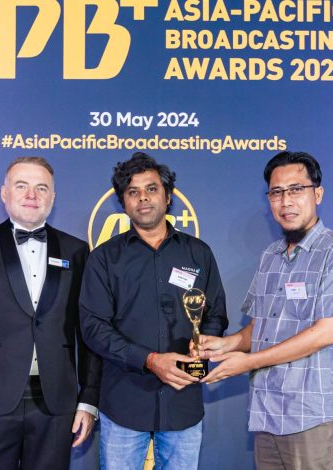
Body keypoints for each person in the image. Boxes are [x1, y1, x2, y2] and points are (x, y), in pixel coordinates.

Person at [199, 151, 333, 470]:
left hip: (312, 418)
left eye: (296, 189)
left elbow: (325, 334)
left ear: (317, 194)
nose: (286, 201)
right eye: (276, 192)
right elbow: (259, 328)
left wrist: (248, 362)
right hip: (267, 415)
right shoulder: (270, 256)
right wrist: (226, 345)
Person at [0, 156, 101, 469]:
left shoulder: (77, 251)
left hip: (56, 406)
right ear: (4, 193)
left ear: (53, 197)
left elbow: (88, 330)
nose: (32, 195)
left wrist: (89, 399)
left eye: (42, 188)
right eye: (22, 186)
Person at [79, 152, 228, 469]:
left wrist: (204, 345)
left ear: (168, 196)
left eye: (151, 189)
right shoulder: (104, 258)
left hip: (182, 400)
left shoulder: (198, 253)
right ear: (123, 202)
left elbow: (215, 315)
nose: (143, 198)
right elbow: (93, 328)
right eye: (133, 192)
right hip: (124, 402)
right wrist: (149, 360)